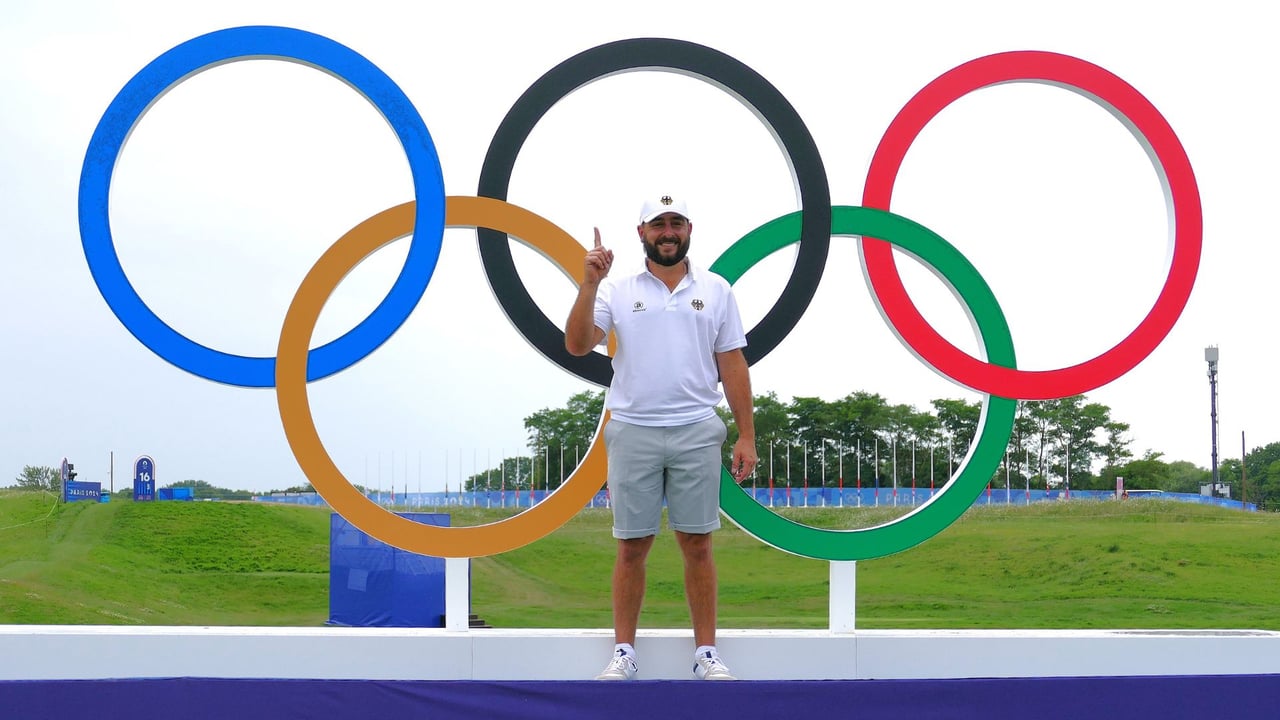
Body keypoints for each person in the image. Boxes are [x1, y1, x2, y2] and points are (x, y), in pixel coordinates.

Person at [565, 194, 758, 681]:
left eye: (675, 223)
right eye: (658, 224)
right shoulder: (617, 289)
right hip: (633, 429)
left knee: (698, 544)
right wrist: (589, 284)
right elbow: (577, 343)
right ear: (642, 232)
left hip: (697, 427)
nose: (667, 232)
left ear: (689, 228)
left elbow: (732, 365)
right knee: (632, 546)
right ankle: (624, 652)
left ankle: (706, 653)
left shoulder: (715, 290)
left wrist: (747, 434)